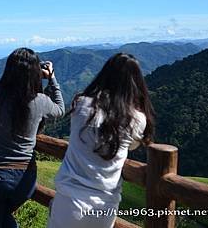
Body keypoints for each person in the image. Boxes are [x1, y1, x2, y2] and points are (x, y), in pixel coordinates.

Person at [47, 53, 155, 228]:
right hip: (105, 205)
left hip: (69, 199)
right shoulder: (137, 119)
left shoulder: (81, 104)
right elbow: (133, 145)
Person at [0, 47, 65, 228]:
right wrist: (51, 79)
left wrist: (29, 74)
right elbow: (60, 109)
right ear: (35, 72)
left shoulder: (0, 93)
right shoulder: (40, 101)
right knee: (2, 218)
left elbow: (11, 82)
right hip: (24, 180)